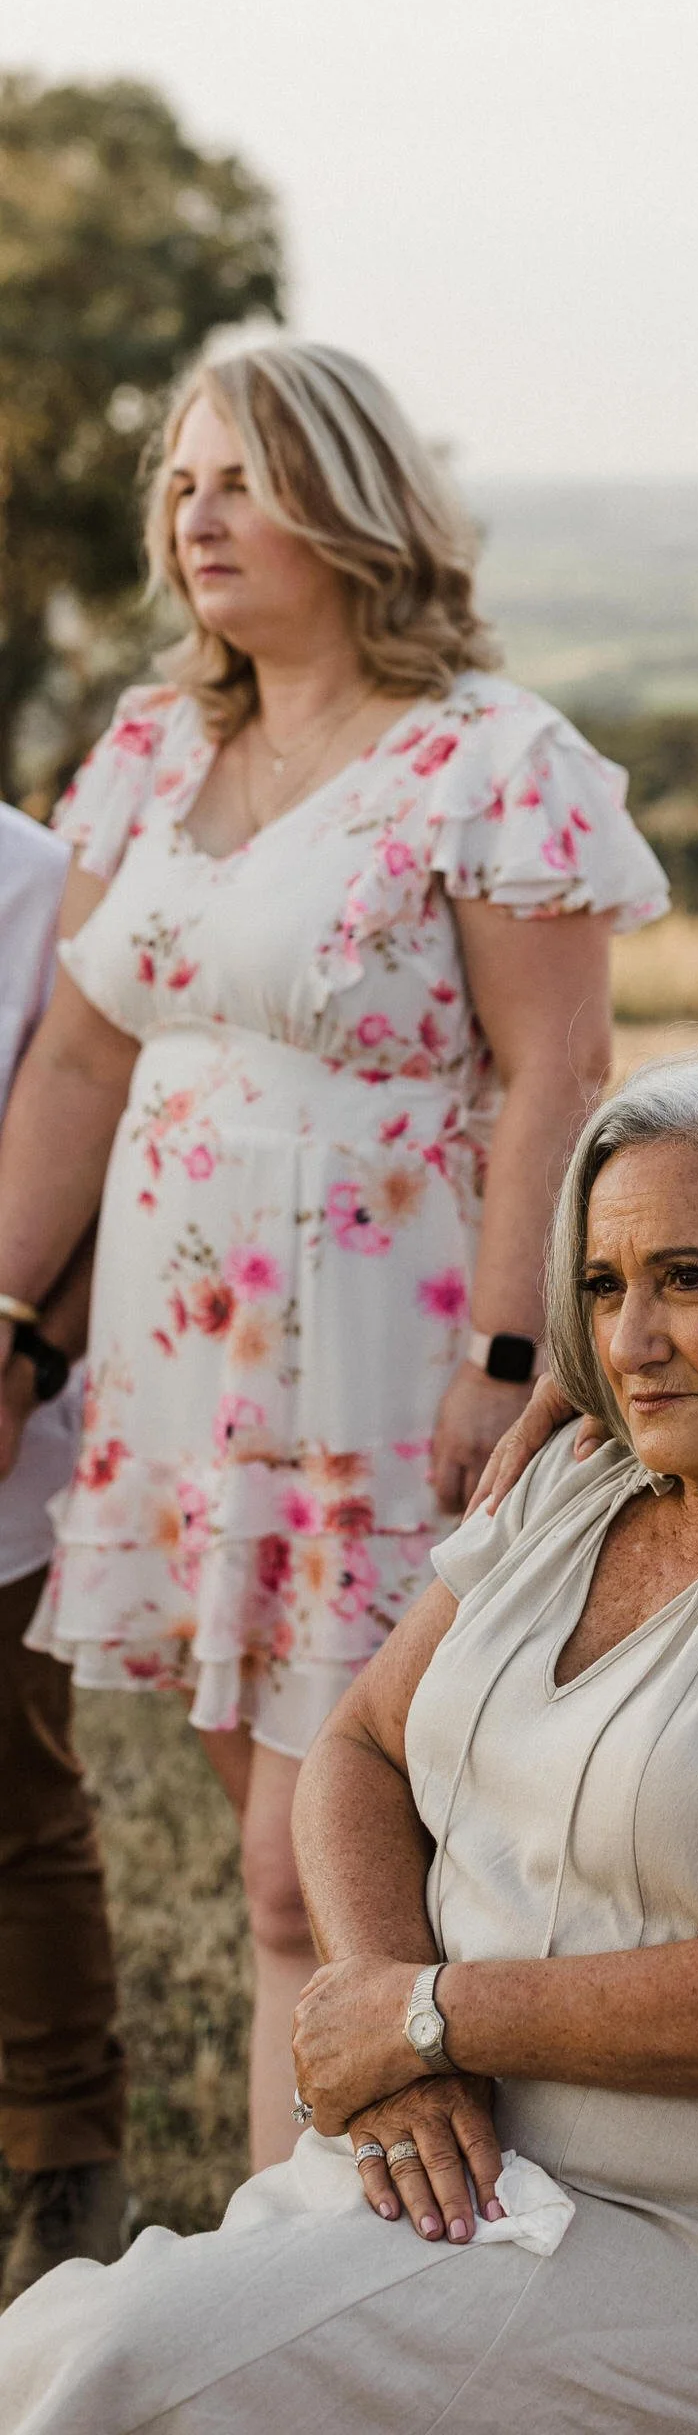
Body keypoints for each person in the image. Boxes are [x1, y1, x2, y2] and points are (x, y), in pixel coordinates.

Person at [0, 1047, 698, 2434]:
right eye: (603, 1285)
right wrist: (391, 2016)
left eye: (689, 1280)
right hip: (455, 2169)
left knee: (110, 2365)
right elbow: (357, 1749)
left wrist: (424, 2016)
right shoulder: (583, 1484)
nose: (630, 1338)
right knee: (52, 2349)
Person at [0, 340, 668, 2168]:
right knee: (274, 1865)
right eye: (183, 483)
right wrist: (2, 1308)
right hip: (177, 1364)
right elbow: (76, 1053)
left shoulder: (485, 760)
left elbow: (559, 1070)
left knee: (333, 1860)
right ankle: (284, 2256)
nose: (198, 515)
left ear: (354, 504)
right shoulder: (149, 750)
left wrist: (515, 1356)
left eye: (245, 478)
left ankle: (356, 2263)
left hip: (385, 1352)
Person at [0, 811, 127, 2303]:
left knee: (15, 1803)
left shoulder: (40, 878)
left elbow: (107, 1125)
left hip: (5, 1394)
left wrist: (30, 1351)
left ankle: (65, 2162)